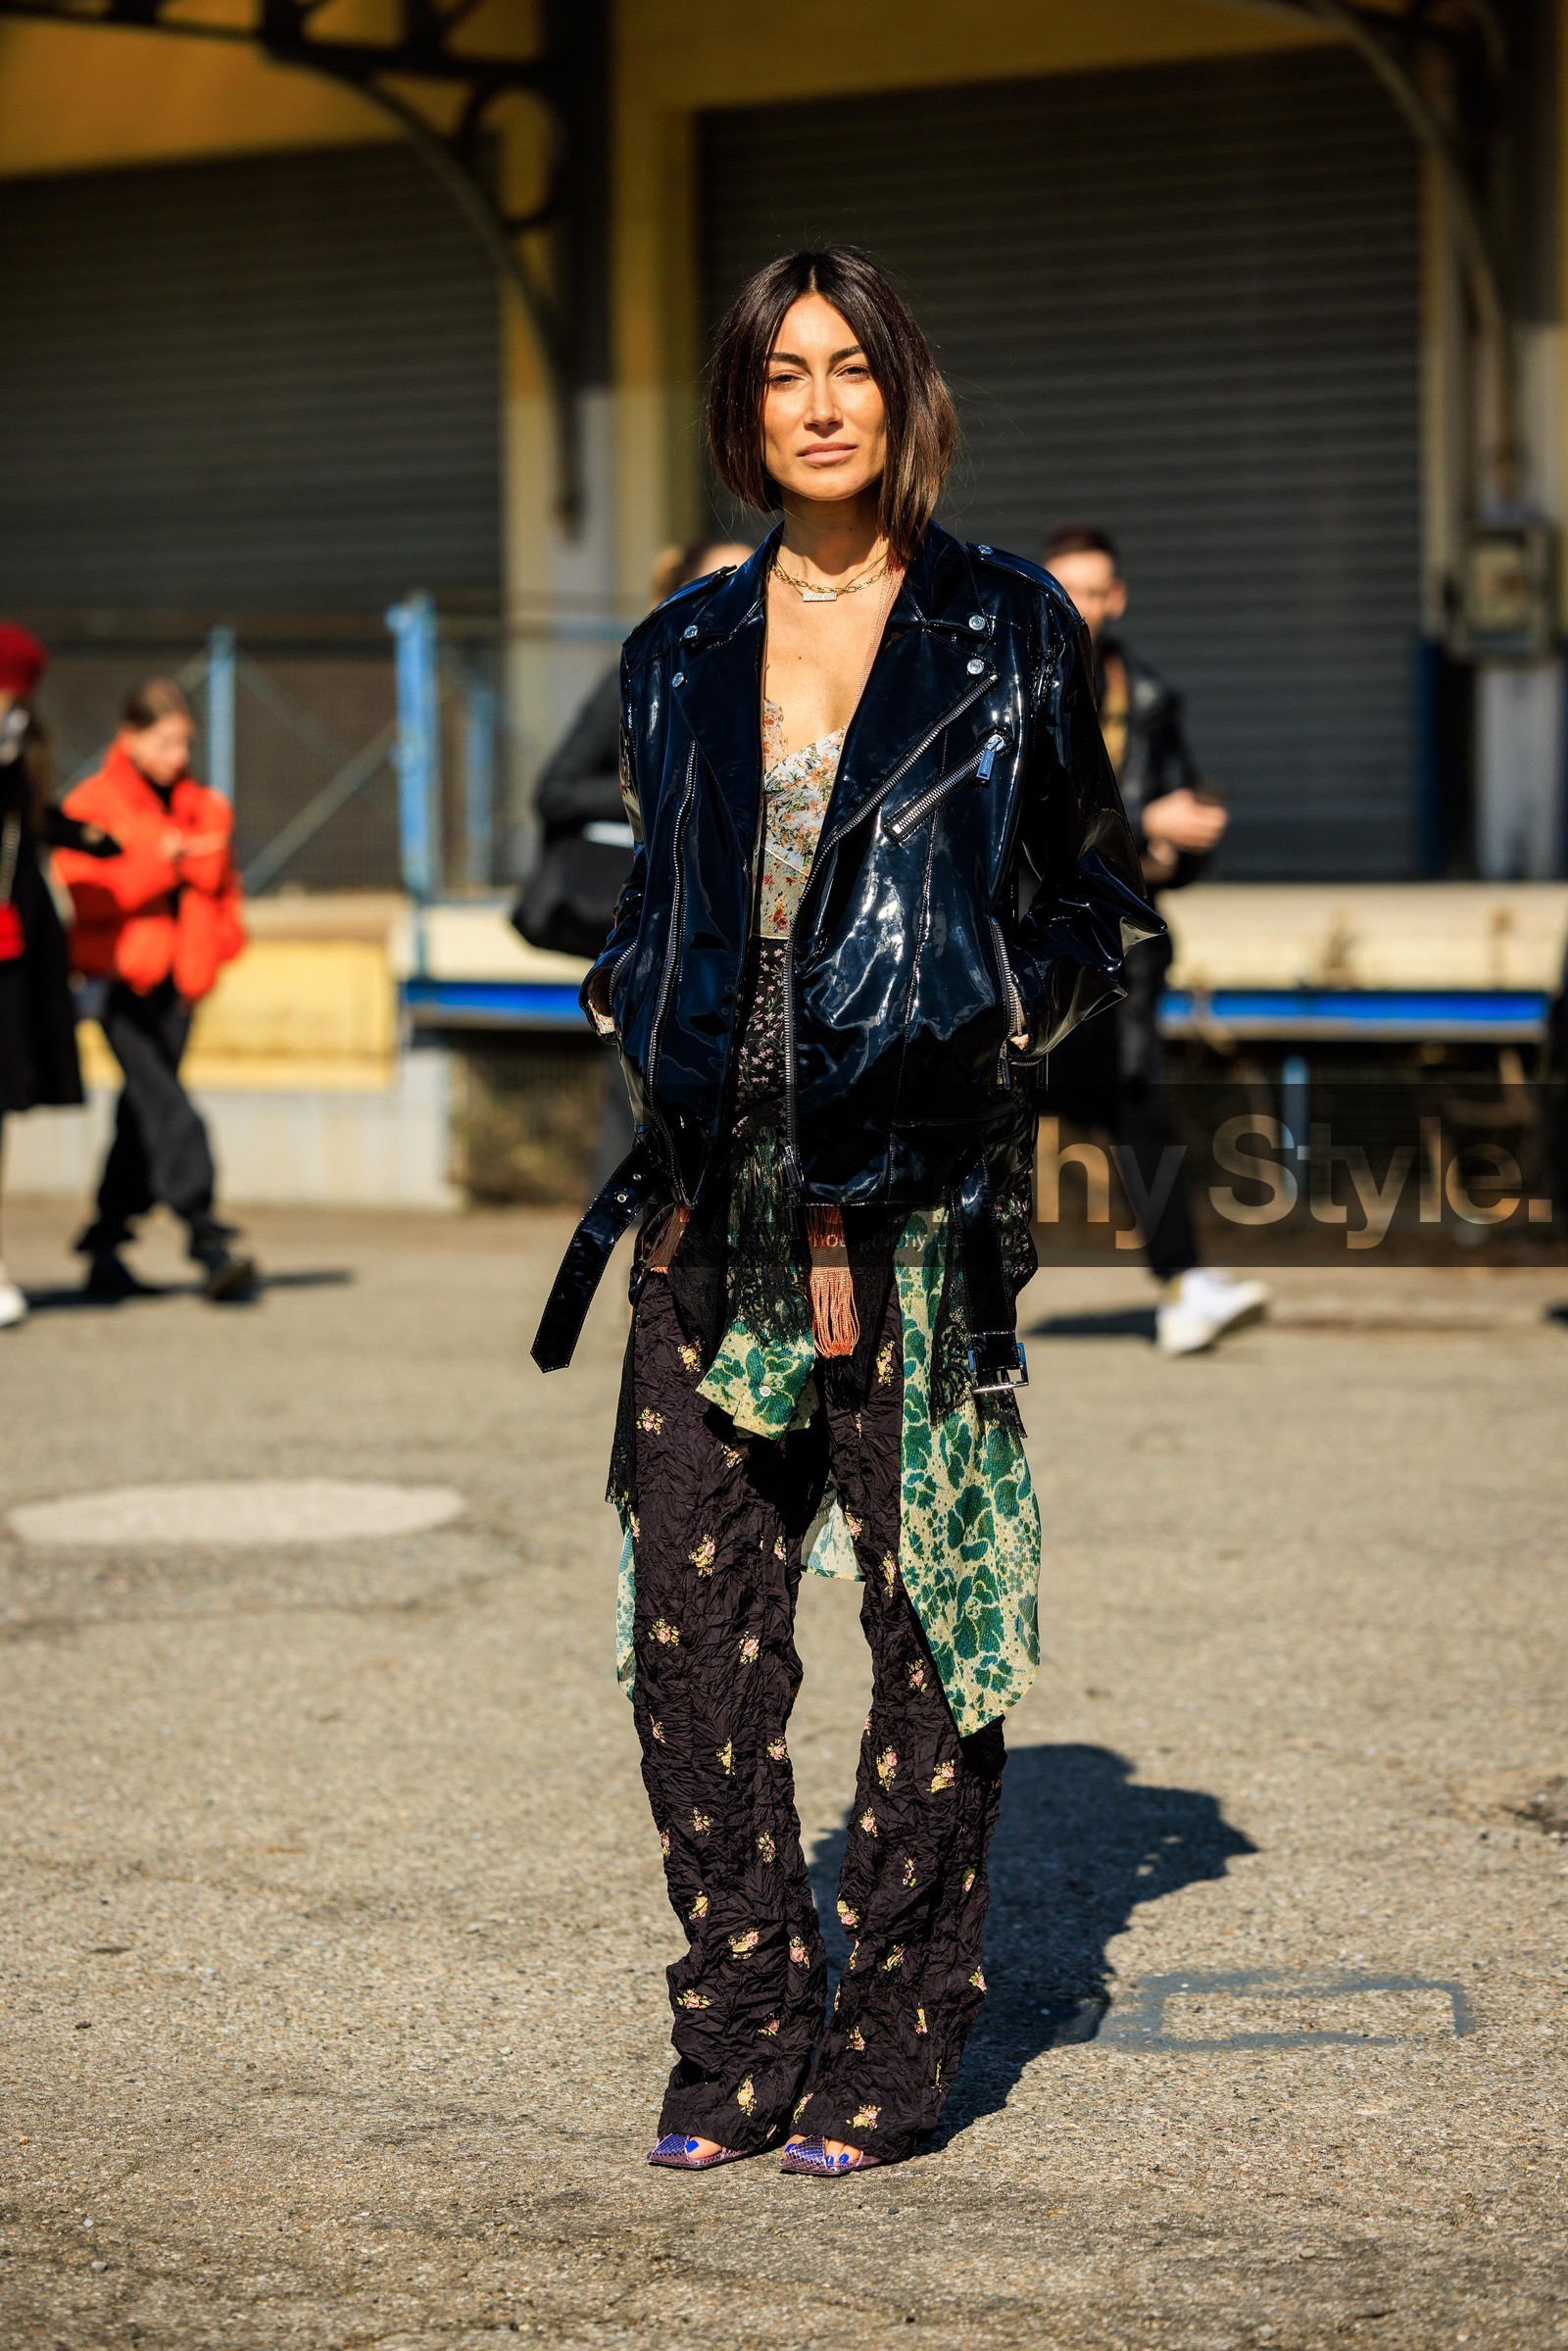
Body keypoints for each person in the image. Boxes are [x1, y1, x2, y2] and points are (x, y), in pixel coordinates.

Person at [532, 249, 1157, 2175]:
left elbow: (1099, 900)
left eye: (851, 366)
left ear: (902, 392)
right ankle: (733, 2014)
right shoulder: (676, 651)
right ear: (741, 407)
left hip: (918, 1204)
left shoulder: (1005, 627)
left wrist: (979, 1013)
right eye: (782, 370)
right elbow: (606, 881)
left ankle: (897, 2007)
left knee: (926, 1611)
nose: (818, 400)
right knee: (694, 1631)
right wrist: (643, 991)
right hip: (706, 1200)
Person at [1040, 524, 1270, 1357]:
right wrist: (1144, 825)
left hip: (1126, 943)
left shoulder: (1150, 696)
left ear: (1118, 597)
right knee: (997, 1109)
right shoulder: (1014, 686)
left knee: (1139, 1103)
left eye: (1096, 590)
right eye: (1066, 588)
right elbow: (1020, 829)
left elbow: (1177, 831)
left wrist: (1183, 842)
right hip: (1036, 948)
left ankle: (1183, 1282)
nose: (1083, 606)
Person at [512, 538, 754, 1194]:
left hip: (753, 934)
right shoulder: (644, 676)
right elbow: (555, 788)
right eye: (721, 579)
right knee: (648, 1096)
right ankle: (646, 1256)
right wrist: (665, 793)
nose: (746, 591)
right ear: (680, 596)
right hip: (660, 924)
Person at [54, 679, 255, 1301]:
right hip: (119, 981)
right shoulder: (92, 804)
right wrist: (158, 863)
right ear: (130, 739)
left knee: (143, 1109)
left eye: (184, 742)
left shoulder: (206, 806)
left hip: (183, 982)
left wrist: (220, 947)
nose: (177, 754)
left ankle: (107, 1241)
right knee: (167, 1104)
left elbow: (224, 888)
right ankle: (204, 1232)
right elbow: (83, 894)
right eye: (164, 741)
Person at [0, 622, 120, 1330]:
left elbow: (35, 822)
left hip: (14, 950)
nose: (13, 708)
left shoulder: (22, 751)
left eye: (18, 697)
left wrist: (86, 838)